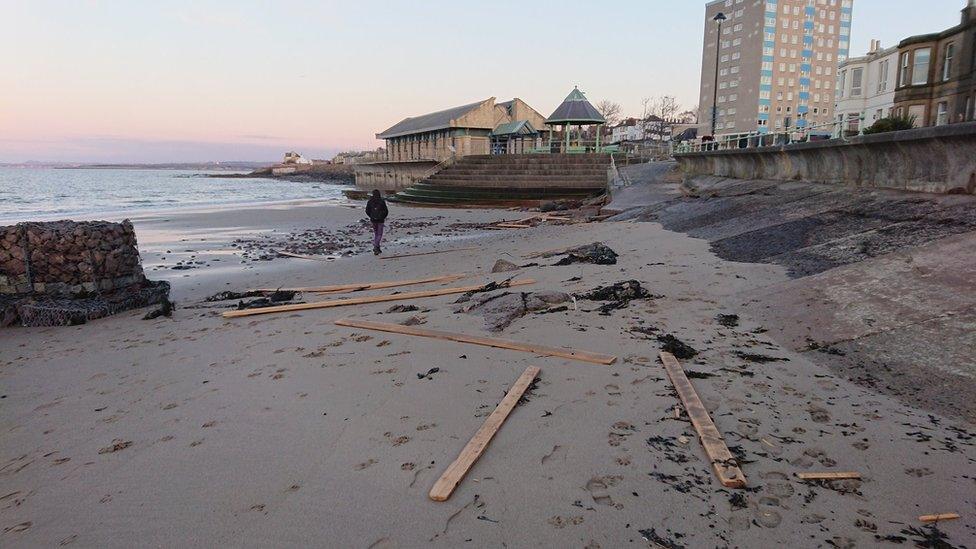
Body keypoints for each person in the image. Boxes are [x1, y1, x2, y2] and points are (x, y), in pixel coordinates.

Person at [365, 189, 388, 255]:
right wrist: (383, 217)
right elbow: (386, 211)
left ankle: (377, 247)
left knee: (376, 233)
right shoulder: (382, 201)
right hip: (380, 220)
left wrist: (371, 216)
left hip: (373, 220)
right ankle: (376, 245)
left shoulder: (370, 201)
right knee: (380, 234)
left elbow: (367, 211)